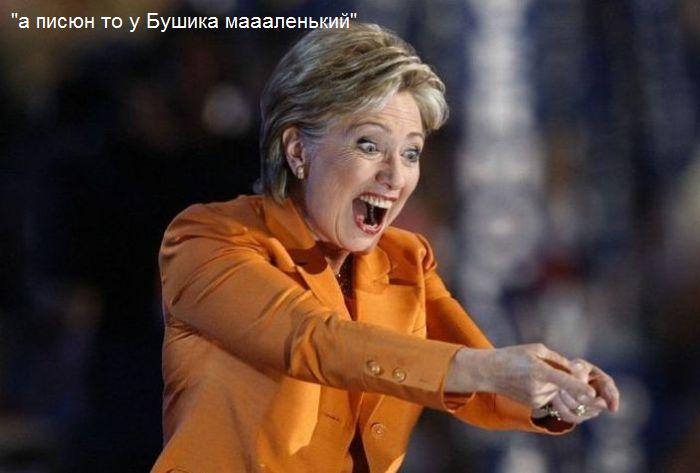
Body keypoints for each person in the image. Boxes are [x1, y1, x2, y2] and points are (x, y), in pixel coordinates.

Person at [151, 22, 619, 473]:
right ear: (297, 150)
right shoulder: (204, 240)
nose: (395, 176)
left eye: (411, 152)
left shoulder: (406, 260)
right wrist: (489, 369)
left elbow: (478, 378)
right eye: (369, 145)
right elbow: (313, 341)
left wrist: (554, 392)